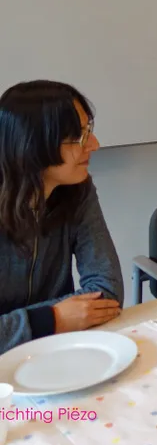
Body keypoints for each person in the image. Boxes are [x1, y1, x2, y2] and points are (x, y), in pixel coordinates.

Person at [0, 81, 123, 354]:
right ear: (32, 145)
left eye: (88, 131)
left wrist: (19, 327)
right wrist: (53, 318)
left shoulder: (78, 190)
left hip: (55, 352)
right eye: (78, 136)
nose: (94, 144)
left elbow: (108, 292)